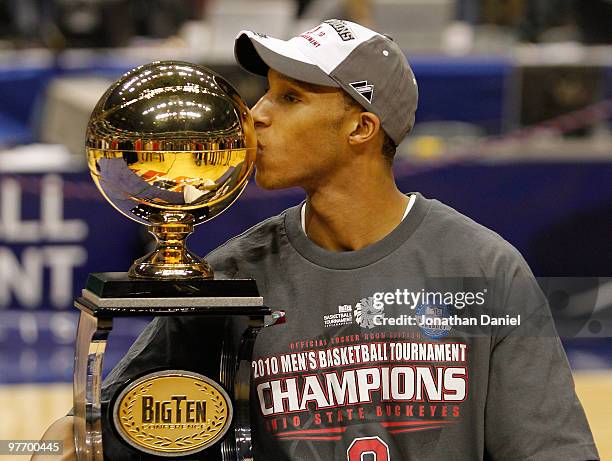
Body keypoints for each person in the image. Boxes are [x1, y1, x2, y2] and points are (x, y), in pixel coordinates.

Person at [37, 19, 599, 460]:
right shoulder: (231, 278)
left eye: (289, 99)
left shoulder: (483, 270)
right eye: (265, 93)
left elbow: (548, 449)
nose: (254, 115)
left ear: (361, 127)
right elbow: (103, 430)